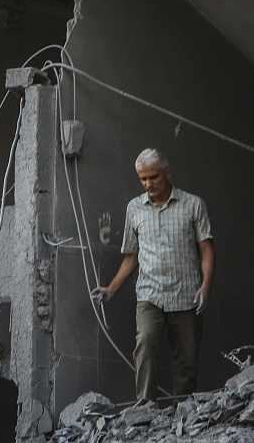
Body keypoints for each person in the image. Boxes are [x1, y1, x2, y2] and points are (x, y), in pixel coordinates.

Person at [92, 149, 215, 401]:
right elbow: (131, 256)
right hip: (150, 295)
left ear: (167, 173)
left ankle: (182, 412)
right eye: (143, 179)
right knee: (145, 345)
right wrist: (111, 289)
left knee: (187, 362)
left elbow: (207, 250)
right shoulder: (134, 209)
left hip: (186, 295)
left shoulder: (193, 205)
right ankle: (144, 410)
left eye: (153, 177)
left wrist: (206, 287)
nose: (148, 184)